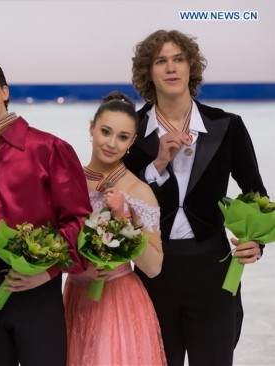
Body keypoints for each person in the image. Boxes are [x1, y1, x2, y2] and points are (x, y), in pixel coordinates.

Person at [124, 29, 268, 366]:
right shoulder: (131, 130)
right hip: (153, 270)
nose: (171, 68)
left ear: (191, 68)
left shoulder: (226, 125)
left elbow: (255, 192)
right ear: (149, 72)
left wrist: (256, 242)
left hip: (212, 270)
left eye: (178, 59)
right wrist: (158, 165)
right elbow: (120, 196)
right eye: (161, 61)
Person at [0, 54, 91, 366]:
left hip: (39, 294)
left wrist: (48, 271)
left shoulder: (49, 148)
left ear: (4, 91)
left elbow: (79, 220)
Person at [63, 91, 166, 365]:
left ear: (132, 141)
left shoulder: (138, 191)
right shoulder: (67, 183)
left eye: (122, 137)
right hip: (75, 297)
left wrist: (123, 220)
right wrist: (76, 266)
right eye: (105, 132)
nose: (111, 143)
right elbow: (56, 246)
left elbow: (154, 266)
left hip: (118, 303)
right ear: (91, 128)